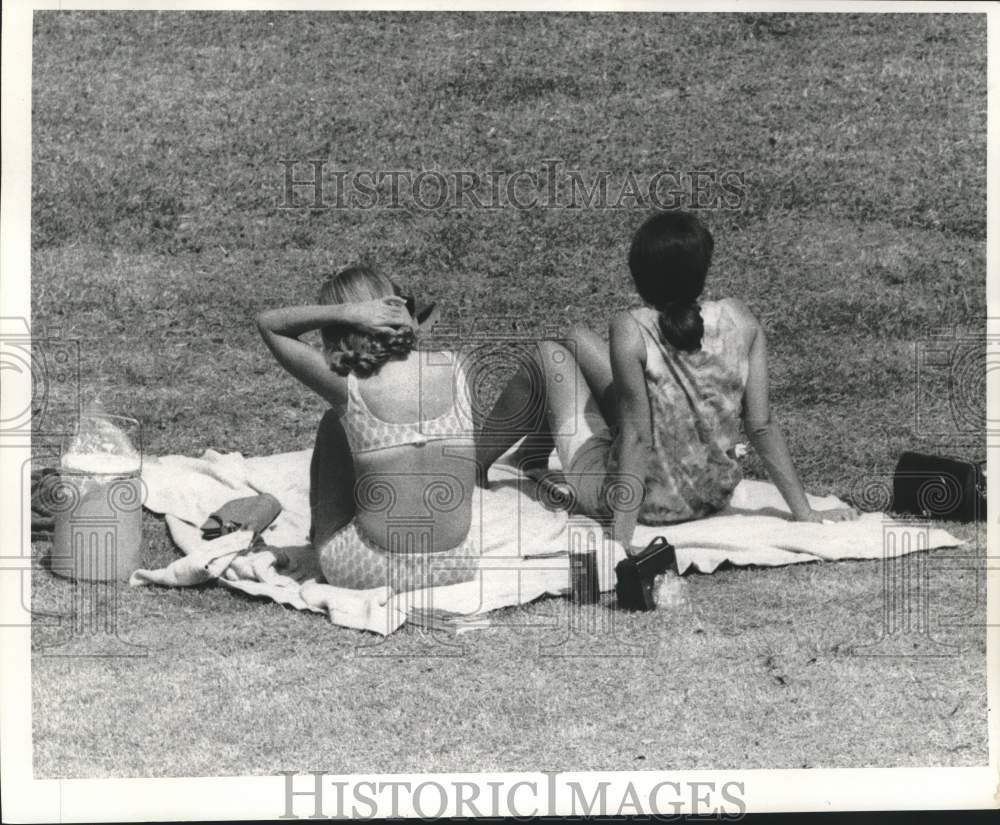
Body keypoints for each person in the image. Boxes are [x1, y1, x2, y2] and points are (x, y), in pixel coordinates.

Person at [477, 211, 858, 552]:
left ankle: (475, 464)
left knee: (549, 356)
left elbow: (637, 437)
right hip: (711, 494)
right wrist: (804, 512)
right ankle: (532, 455)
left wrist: (619, 539)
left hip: (644, 504)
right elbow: (761, 425)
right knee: (575, 338)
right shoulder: (741, 321)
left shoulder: (630, 329)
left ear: (639, 275)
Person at [256, 266, 480, 592]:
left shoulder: (346, 384)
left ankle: (321, 533)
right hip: (456, 565)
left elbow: (269, 324)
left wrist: (347, 312)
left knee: (335, 423)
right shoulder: (459, 365)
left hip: (370, 570)